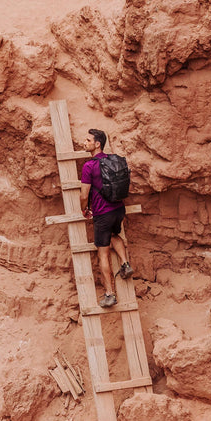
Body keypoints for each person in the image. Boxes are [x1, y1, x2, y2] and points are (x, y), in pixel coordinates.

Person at [79, 128, 132, 308]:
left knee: (103, 253)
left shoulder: (89, 166)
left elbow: (84, 195)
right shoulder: (113, 160)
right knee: (114, 235)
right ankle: (125, 264)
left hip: (102, 213)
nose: (84, 143)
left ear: (97, 144)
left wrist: (84, 209)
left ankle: (110, 294)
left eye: (88, 140)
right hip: (118, 209)